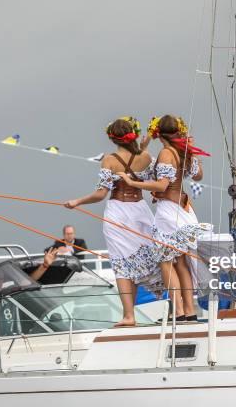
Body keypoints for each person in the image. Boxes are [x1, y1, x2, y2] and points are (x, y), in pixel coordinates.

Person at [64, 117, 161, 327]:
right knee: (150, 257)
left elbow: (101, 194)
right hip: (141, 210)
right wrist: (143, 148)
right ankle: (174, 307)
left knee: (121, 263)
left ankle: (129, 316)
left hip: (118, 212)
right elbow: (154, 180)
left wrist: (76, 202)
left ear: (112, 138)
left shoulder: (109, 159)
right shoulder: (146, 157)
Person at [118, 115, 210, 322]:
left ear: (158, 134)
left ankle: (178, 311)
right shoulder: (181, 152)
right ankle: (189, 310)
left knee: (166, 262)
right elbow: (198, 176)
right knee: (181, 263)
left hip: (169, 212)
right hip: (184, 211)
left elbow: (161, 185)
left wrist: (132, 184)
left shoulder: (167, 153)